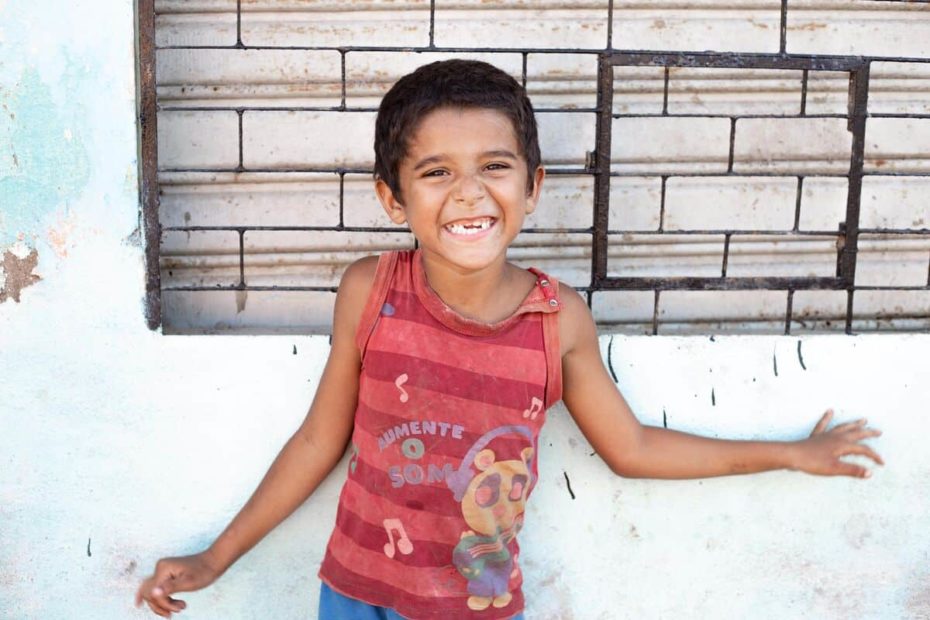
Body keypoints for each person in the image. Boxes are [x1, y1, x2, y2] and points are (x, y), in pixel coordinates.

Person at [135, 59, 883, 619]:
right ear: (392, 198)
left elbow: (634, 449)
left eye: (495, 167)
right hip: (352, 593)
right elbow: (317, 443)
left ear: (533, 186)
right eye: (435, 172)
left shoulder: (559, 323)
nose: (468, 192)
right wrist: (216, 555)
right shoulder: (371, 291)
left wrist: (790, 452)